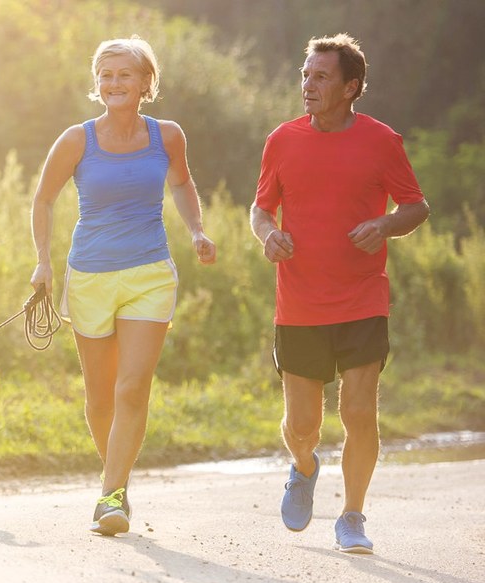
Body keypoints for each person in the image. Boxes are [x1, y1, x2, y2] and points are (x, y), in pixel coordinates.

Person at [249, 33, 430, 554]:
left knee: (357, 412)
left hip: (362, 298)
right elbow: (261, 209)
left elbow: (416, 206)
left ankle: (352, 515)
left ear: (351, 87)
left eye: (321, 76)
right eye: (306, 74)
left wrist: (385, 224)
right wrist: (268, 235)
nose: (308, 84)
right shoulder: (281, 140)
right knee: (302, 424)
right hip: (300, 301)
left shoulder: (381, 141)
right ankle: (304, 467)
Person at [29, 36, 216, 536]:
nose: (114, 84)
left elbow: (181, 182)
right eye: (106, 75)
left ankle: (110, 496)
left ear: (145, 83)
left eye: (125, 75)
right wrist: (43, 264)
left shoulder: (167, 136)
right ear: (97, 83)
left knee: (133, 386)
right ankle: (118, 481)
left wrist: (196, 229)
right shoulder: (77, 140)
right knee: (100, 396)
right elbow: (43, 200)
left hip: (149, 273)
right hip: (89, 275)